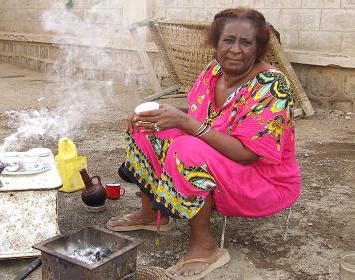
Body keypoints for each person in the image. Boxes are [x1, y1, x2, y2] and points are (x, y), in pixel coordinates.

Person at [107, 7, 301, 280]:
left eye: (246, 42)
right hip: (223, 164)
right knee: (146, 129)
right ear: (215, 42)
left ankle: (205, 245)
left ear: (259, 48)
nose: (235, 49)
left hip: (263, 181)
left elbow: (247, 154)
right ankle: (151, 214)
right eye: (228, 40)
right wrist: (162, 113)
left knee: (188, 148)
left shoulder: (272, 85)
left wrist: (185, 124)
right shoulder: (213, 72)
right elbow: (202, 116)